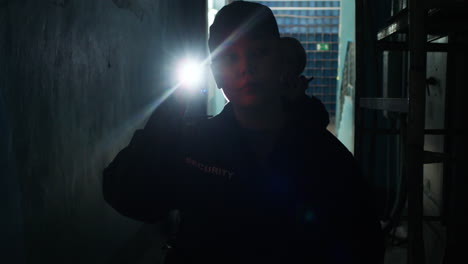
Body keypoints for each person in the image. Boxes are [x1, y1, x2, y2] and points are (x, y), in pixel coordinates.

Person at [102, 2, 384, 264]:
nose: (245, 68)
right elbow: (129, 196)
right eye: (229, 57)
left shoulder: (322, 154)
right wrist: (167, 117)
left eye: (259, 52)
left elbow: (364, 242)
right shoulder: (196, 146)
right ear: (215, 72)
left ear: (281, 62)